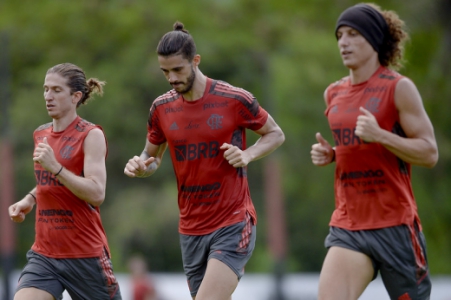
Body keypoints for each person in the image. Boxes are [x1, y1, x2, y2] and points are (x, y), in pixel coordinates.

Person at [124, 21, 285, 300]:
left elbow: (275, 134)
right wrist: (140, 165)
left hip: (233, 222)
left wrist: (247, 154)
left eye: (178, 70)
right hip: (190, 230)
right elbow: (151, 156)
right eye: (165, 72)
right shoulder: (161, 108)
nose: (172, 78)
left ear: (195, 61)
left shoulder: (233, 98)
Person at [310, 3, 438, 300]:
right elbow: (353, 146)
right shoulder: (334, 93)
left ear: (375, 39)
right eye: (340, 35)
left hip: (395, 226)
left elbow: (429, 153)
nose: (344, 42)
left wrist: (381, 136)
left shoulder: (399, 88)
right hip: (349, 224)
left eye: (354, 34)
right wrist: (332, 154)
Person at [8, 63, 122, 300]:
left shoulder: (91, 135)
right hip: (45, 254)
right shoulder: (40, 134)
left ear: (75, 96)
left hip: (85, 255)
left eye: (57, 90)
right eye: (46, 89)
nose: (48, 96)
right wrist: (30, 199)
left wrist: (56, 167)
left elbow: (96, 192)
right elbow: (47, 181)